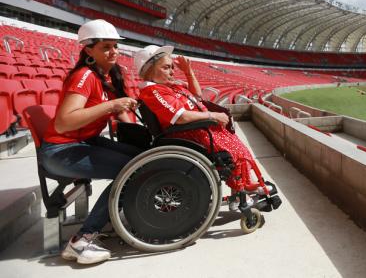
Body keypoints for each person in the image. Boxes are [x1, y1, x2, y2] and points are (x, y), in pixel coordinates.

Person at [40, 19, 141, 265]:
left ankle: (128, 210)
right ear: (88, 50)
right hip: (60, 151)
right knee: (133, 171)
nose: (113, 51)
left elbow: (119, 113)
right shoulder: (84, 75)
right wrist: (112, 105)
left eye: (115, 46)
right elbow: (64, 122)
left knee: (142, 159)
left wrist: (134, 126)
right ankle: (82, 241)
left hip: (85, 141)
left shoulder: (109, 74)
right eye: (106, 46)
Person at [135, 45, 272, 210]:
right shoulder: (153, 90)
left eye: (172, 67)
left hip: (200, 129)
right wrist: (213, 116)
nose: (172, 71)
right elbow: (181, 117)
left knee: (241, 151)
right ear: (149, 70)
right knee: (234, 153)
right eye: (166, 67)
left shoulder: (169, 85)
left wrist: (188, 71)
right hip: (189, 133)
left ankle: (245, 185)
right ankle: (239, 192)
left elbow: (197, 95)